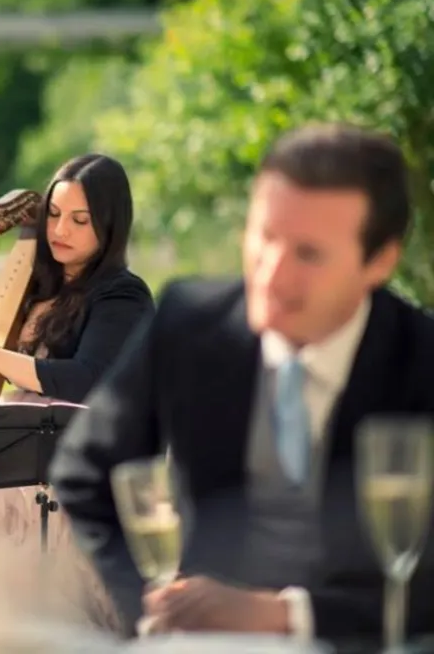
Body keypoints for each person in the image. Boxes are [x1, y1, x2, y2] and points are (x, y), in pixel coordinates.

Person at [49, 124, 434, 647]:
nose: (272, 275)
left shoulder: (421, 361)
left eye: (308, 254)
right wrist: (148, 606)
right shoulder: (188, 324)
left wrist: (286, 615)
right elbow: (83, 472)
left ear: (380, 261)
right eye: (265, 238)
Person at [0, 153, 154, 629]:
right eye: (53, 214)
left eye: (78, 219)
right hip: (27, 444)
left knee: (23, 557)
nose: (59, 229)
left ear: (109, 225)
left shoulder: (122, 295)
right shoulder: (39, 284)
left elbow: (82, 378)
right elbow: (8, 366)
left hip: (82, 451)